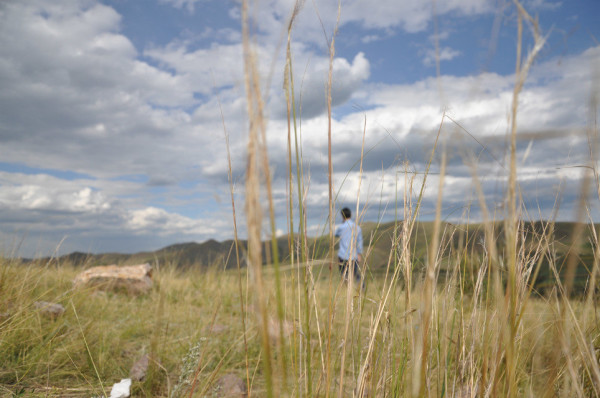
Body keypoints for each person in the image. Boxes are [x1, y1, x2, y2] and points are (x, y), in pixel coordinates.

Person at [334, 207, 364, 288]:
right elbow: (359, 241)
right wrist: (359, 254)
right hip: (353, 255)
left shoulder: (341, 228)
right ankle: (361, 288)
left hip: (342, 255)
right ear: (350, 215)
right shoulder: (357, 227)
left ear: (342, 216)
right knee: (354, 273)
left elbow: (335, 234)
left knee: (344, 275)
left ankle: (347, 289)